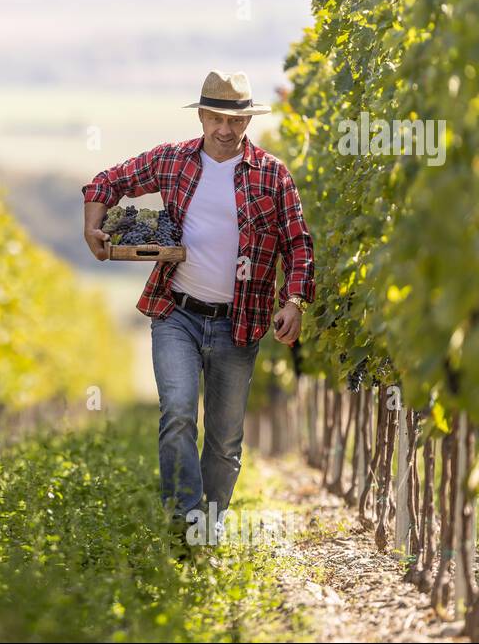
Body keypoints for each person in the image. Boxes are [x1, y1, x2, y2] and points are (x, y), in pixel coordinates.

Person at [81, 70, 316, 542]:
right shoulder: (173, 161)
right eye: (216, 118)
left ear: (248, 120)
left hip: (239, 324)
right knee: (179, 411)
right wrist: (93, 228)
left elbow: (299, 245)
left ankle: (206, 531)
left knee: (225, 443)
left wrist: (294, 301)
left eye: (237, 120)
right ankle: (183, 525)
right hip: (177, 313)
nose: (226, 130)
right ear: (202, 116)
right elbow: (107, 182)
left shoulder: (272, 175)